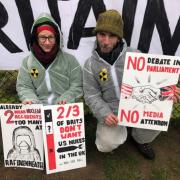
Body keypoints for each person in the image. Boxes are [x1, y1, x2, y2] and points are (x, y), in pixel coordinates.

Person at [83, 9, 177, 160]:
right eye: (102, 34)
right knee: (105, 145)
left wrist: (166, 92)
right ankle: (120, 131)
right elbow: (91, 94)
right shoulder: (90, 65)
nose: (106, 41)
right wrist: (104, 113)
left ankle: (140, 139)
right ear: (96, 34)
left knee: (159, 118)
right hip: (112, 111)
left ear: (119, 37)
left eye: (112, 36)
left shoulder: (136, 56)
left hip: (139, 106)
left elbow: (151, 81)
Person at [16, 13, 82, 105]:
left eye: (51, 37)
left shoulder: (70, 60)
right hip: (38, 110)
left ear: (57, 38)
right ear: (36, 38)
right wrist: (30, 100)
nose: (47, 42)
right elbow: (24, 86)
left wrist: (66, 99)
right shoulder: (27, 62)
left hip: (64, 110)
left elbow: (77, 85)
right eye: (42, 37)